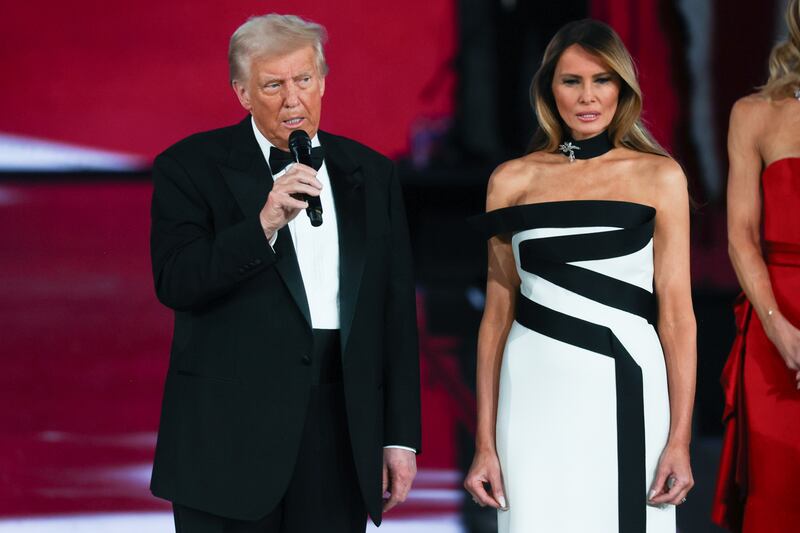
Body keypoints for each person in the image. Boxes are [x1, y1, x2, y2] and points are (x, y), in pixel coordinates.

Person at [148, 13, 420, 533]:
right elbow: (177, 280)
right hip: (228, 437)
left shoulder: (373, 173)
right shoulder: (189, 167)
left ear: (323, 81)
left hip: (339, 433)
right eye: (273, 85)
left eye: (304, 80)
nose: (292, 99)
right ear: (243, 93)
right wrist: (264, 223)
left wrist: (399, 437)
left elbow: (394, 311)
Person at [464, 19, 696, 532]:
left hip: (626, 385)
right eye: (572, 81)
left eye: (602, 80)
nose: (587, 96)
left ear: (622, 89)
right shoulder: (512, 179)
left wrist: (679, 439)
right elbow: (496, 318)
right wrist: (484, 441)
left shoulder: (659, 175)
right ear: (550, 88)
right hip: (531, 394)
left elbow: (677, 316)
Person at [712, 0, 800, 530]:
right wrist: (780, 330)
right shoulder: (754, 114)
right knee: (778, 496)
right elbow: (741, 237)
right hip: (776, 329)